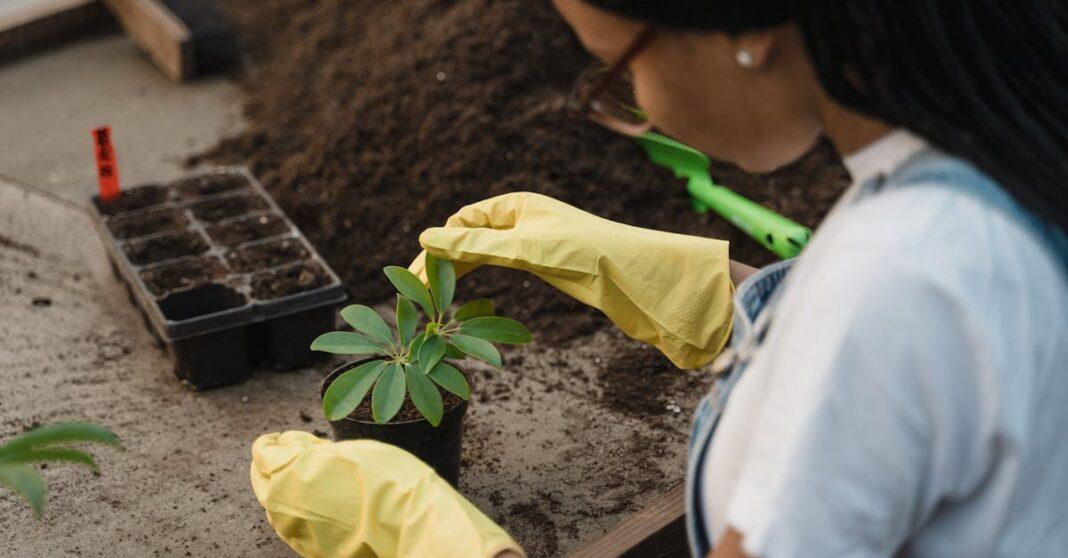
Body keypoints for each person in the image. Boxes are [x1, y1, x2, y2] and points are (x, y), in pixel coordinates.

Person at [250, 1, 1068, 556]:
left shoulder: (893, 284)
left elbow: (903, 313)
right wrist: (740, 299)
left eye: (614, 72)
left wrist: (431, 534)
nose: (630, 102)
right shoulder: (1007, 139)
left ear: (742, 35)